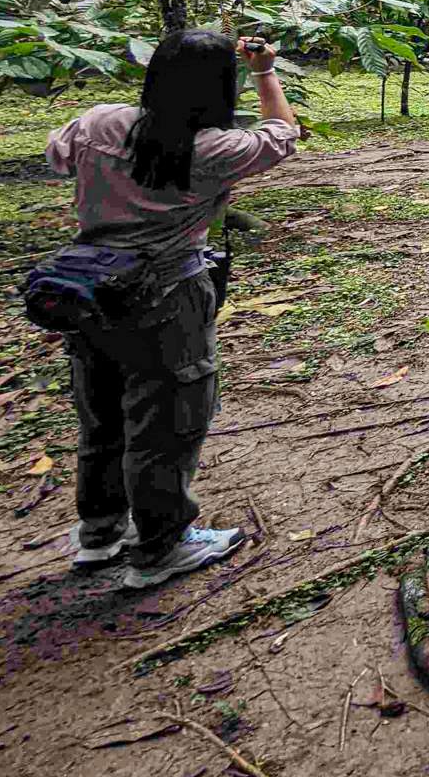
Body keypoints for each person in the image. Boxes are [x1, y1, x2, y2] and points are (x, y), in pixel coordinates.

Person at [44, 32, 301, 588]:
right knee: (166, 421)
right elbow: (283, 135)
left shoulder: (98, 122)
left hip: (89, 288)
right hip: (167, 293)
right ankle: (162, 546)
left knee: (102, 414)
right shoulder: (213, 148)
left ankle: (99, 534)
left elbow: (57, 155)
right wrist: (264, 71)